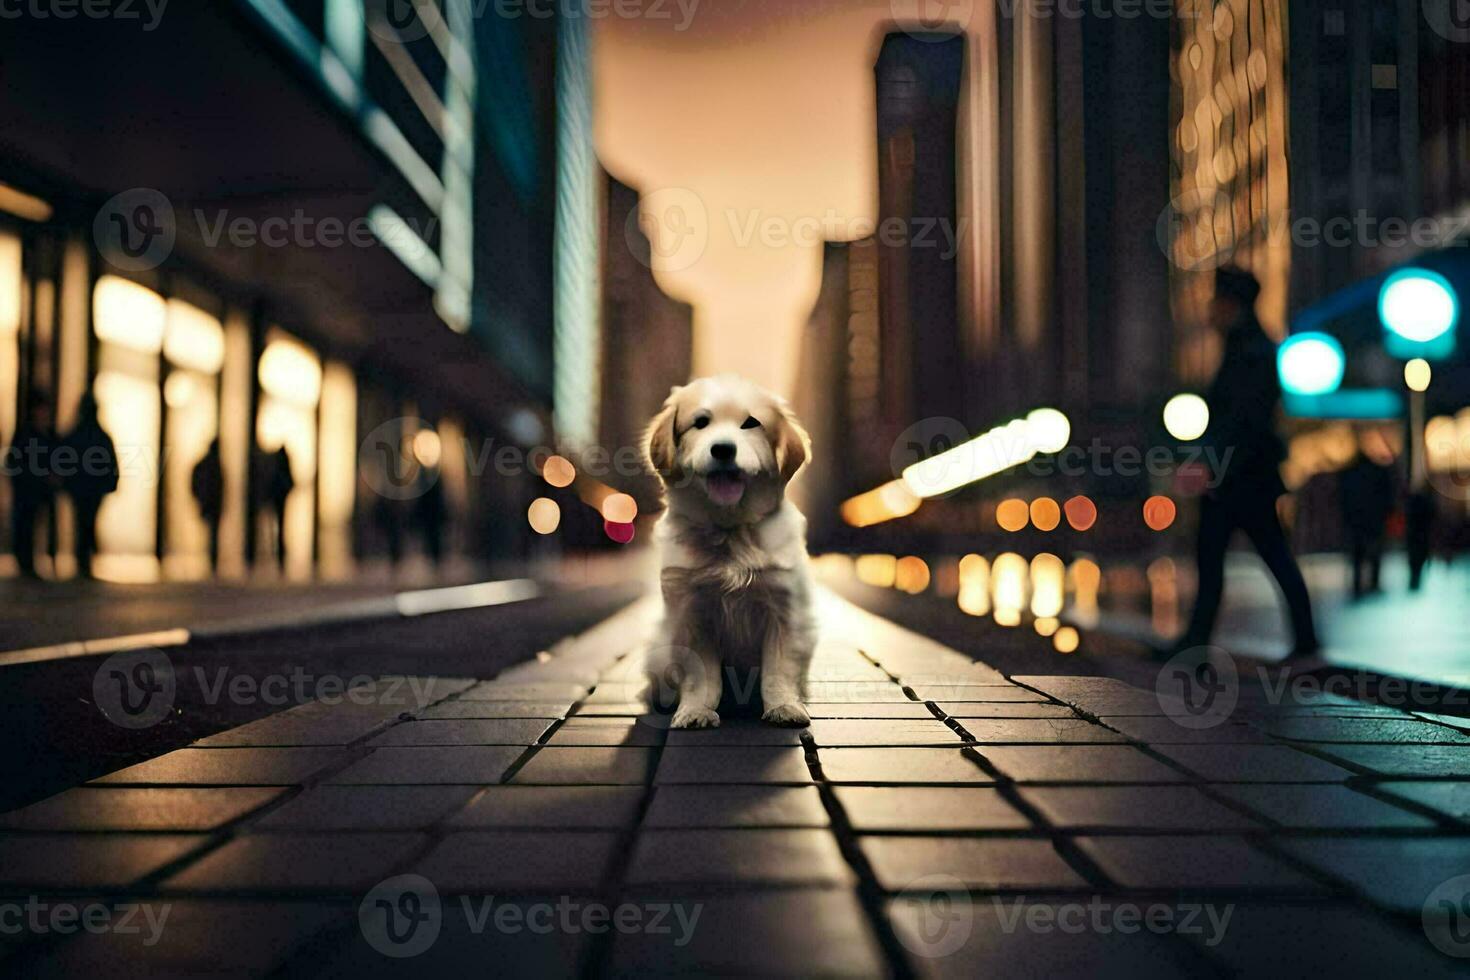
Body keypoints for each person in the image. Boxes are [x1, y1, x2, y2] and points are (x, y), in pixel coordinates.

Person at [1173, 266, 1320, 659]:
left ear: (1231, 304)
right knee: (1244, 556)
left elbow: (1242, 420)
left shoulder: (1249, 351)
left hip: (1241, 478)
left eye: (1216, 302)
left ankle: (1198, 644)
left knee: (1255, 556)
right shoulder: (1247, 346)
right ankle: (1198, 643)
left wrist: (1215, 466)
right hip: (1241, 476)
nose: (1209, 310)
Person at [61, 394, 119, 579]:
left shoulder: (76, 434)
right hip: (93, 489)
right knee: (89, 523)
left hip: (80, 488)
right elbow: (111, 464)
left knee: (82, 523)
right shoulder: (101, 436)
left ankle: (83, 560)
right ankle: (86, 559)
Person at [4, 391, 58, 578]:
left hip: (40, 490)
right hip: (28, 490)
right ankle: (26, 563)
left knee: (38, 526)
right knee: (26, 526)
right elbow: (15, 461)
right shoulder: (26, 435)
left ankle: (36, 561)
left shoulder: (47, 434)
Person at [1337, 433, 1395, 598]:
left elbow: (1343, 497)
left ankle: (1357, 585)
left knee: (1357, 554)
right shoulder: (1377, 472)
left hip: (1356, 517)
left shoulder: (1349, 474)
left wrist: (1346, 515)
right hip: (1373, 517)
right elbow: (1386, 495)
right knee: (1374, 552)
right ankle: (1374, 583)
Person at [191, 439, 224, 573]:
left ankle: (210, 557)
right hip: (211, 503)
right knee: (212, 532)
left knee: (210, 531)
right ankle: (210, 557)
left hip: (208, 503)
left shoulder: (204, 464)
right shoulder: (213, 465)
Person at [264, 446, 294, 572]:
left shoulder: (276, 467)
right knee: (280, 527)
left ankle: (278, 552)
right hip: (280, 501)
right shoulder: (283, 467)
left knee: (278, 527)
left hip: (278, 501)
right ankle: (279, 552)